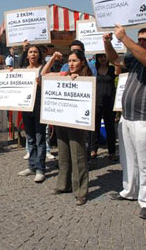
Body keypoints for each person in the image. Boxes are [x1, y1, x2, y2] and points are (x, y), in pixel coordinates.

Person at [104, 24, 146, 219]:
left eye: (144, 40)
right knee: (128, 159)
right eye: (138, 39)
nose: (140, 42)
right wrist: (106, 42)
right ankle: (130, 190)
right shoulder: (133, 58)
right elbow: (114, 59)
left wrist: (124, 38)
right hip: (127, 117)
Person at [42, 50, 92, 205]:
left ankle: (81, 191)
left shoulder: (87, 78)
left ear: (82, 62)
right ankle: (64, 185)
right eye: (69, 60)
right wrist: (52, 60)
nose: (71, 64)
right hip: (61, 120)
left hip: (76, 122)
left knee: (78, 156)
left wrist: (78, 80)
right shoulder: (63, 74)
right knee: (63, 155)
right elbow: (43, 76)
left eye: (75, 60)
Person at [17, 45, 46, 183]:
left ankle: (40, 168)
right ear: (27, 55)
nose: (33, 54)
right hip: (26, 107)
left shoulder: (43, 69)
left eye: (35, 52)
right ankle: (32, 166)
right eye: (30, 52)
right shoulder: (23, 71)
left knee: (40, 138)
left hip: (40, 107)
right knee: (30, 138)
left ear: (39, 55)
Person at [90, 53, 118, 161]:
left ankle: (112, 151)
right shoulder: (93, 69)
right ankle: (93, 150)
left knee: (110, 127)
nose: (102, 59)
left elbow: (119, 70)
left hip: (110, 102)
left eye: (105, 56)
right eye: (100, 56)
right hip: (96, 102)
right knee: (94, 128)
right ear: (97, 58)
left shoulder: (112, 69)